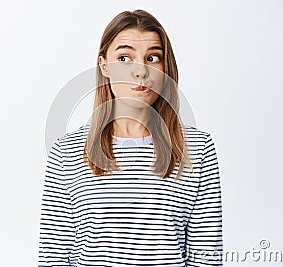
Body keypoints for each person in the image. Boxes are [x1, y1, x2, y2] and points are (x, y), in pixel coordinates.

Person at [38, 9, 223, 267]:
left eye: (153, 57)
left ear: (165, 67)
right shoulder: (66, 152)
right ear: (104, 66)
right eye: (124, 57)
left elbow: (206, 259)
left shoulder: (198, 148)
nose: (140, 71)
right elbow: (54, 257)